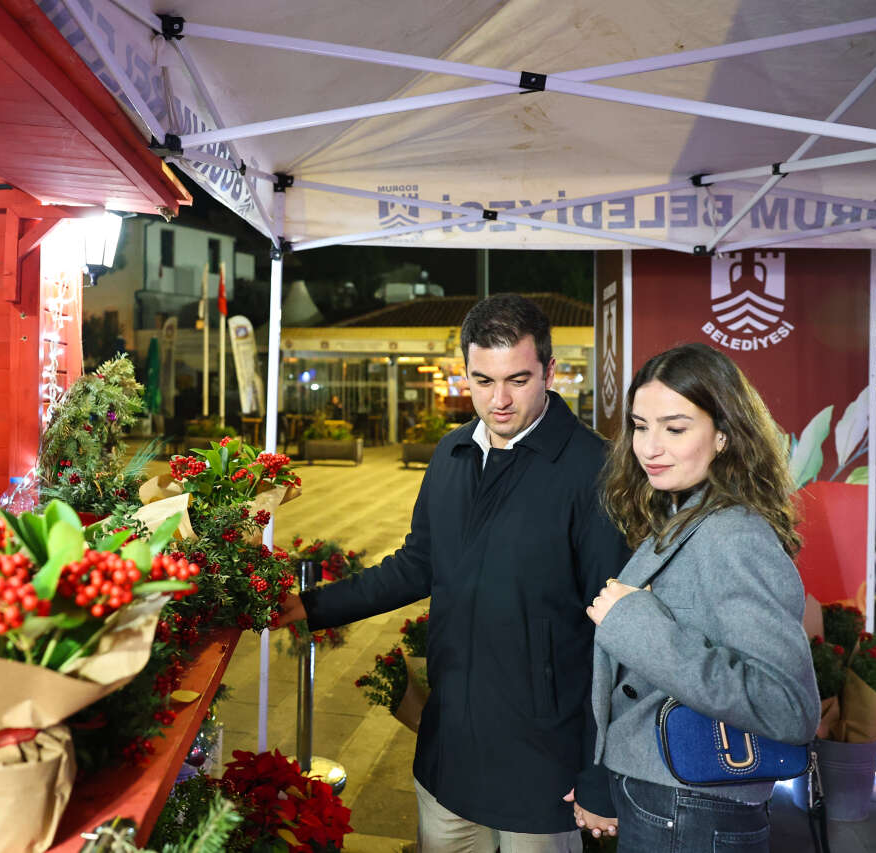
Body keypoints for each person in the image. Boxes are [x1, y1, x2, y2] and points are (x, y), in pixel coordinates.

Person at [279, 294, 630, 853]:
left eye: (518, 379)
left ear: (550, 371)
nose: (500, 400)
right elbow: (418, 564)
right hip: (448, 749)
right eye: (482, 380)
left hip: (543, 766)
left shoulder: (594, 470)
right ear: (464, 372)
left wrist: (597, 773)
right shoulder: (451, 455)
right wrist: (313, 606)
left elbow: (616, 637)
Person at [586, 343, 820, 852]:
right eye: (640, 426)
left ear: (722, 436)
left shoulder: (732, 533)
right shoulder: (687, 514)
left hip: (691, 806)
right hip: (671, 796)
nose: (649, 447)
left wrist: (634, 624)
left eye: (674, 428)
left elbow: (789, 708)